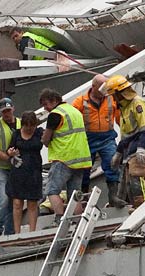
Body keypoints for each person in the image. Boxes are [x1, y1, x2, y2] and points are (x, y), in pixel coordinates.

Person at [102, 75, 145, 208]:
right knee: (131, 186)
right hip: (131, 152)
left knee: (138, 181)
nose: (113, 98)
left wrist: (141, 148)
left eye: (113, 95)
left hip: (142, 151)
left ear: (120, 93)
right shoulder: (124, 108)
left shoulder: (137, 103)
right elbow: (127, 135)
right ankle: (138, 209)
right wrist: (119, 152)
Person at [72, 74, 127, 208]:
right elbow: (72, 121)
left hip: (107, 138)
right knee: (84, 169)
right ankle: (83, 197)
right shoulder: (80, 102)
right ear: (94, 86)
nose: (104, 90)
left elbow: (121, 119)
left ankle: (113, 196)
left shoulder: (111, 99)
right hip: (87, 139)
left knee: (113, 163)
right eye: (102, 87)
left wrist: (127, 135)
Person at [39, 88, 92, 227]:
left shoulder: (55, 114)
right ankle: (77, 222)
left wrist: (43, 138)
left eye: (46, 104)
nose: (45, 108)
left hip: (64, 157)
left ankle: (60, 220)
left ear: (54, 100)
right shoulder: (74, 111)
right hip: (80, 159)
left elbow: (46, 140)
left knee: (52, 190)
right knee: (75, 194)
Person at [6, 111, 43, 233]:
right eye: (26, 126)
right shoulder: (16, 134)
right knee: (17, 203)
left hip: (34, 171)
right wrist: (10, 153)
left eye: (32, 126)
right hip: (18, 172)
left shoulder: (39, 133)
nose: (29, 129)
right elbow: (9, 150)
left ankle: (32, 233)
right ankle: (17, 233)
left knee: (32, 203)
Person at [0, 98, 21, 236]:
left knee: (15, 200)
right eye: (4, 112)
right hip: (1, 168)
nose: (6, 114)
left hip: (17, 168)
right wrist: (9, 159)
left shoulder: (21, 122)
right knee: (4, 197)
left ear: (13, 108)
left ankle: (10, 231)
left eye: (8, 110)